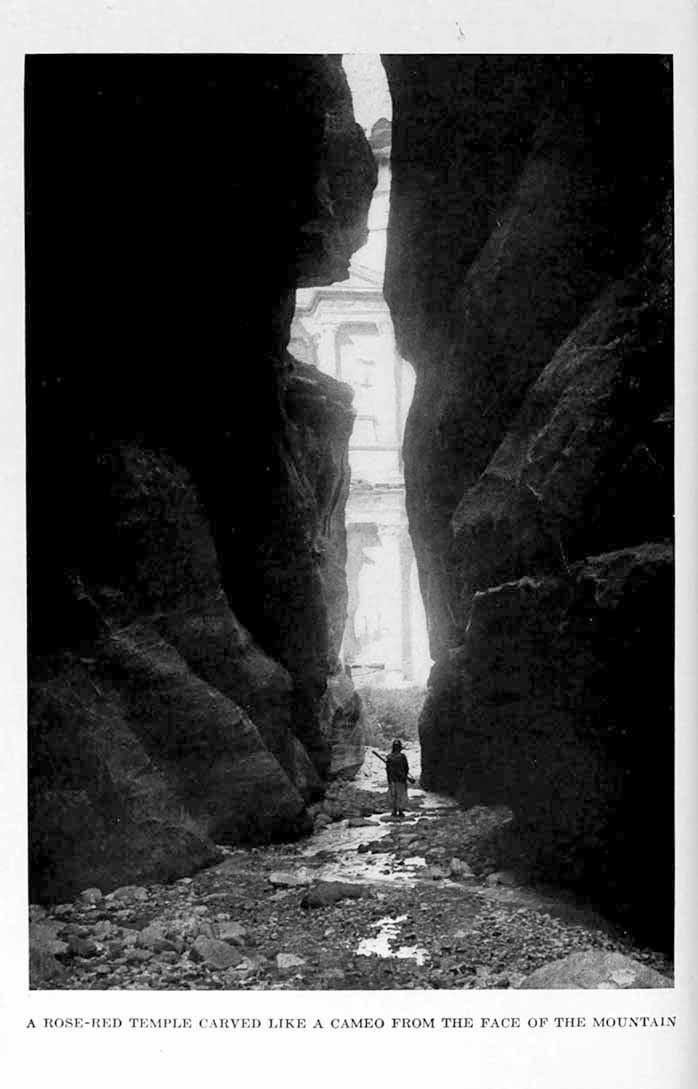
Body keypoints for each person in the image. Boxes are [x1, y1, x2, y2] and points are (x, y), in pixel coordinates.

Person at [386, 739, 409, 818]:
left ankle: (394, 810)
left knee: (393, 795)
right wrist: (405, 777)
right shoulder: (402, 756)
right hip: (401, 779)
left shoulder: (389, 757)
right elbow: (406, 768)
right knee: (400, 795)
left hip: (392, 779)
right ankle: (400, 811)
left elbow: (387, 770)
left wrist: (388, 780)